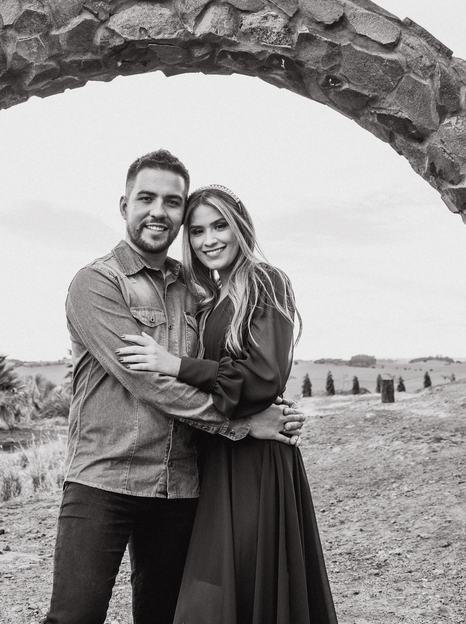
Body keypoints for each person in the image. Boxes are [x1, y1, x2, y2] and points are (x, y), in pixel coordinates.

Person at [44, 151, 306, 624]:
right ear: (124, 205)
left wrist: (267, 398)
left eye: (172, 202)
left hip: (180, 485)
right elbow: (152, 384)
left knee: (165, 617)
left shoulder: (197, 288)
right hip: (105, 477)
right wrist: (244, 424)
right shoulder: (97, 283)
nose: (158, 211)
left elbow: (234, 358)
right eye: (146, 198)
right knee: (74, 617)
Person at [118, 184, 338, 624]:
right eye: (198, 231)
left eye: (220, 226)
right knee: (215, 589)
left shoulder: (264, 280)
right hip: (217, 453)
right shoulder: (209, 298)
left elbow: (262, 377)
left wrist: (174, 364)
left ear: (240, 228)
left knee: (250, 581)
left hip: (255, 462)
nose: (209, 240)